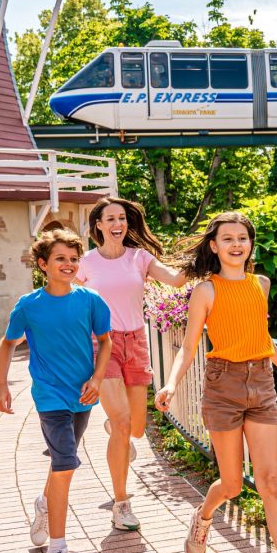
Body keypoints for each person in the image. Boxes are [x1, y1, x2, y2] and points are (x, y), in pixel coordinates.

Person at [155, 212, 277, 553]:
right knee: (231, 484)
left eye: (242, 238)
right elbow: (190, 345)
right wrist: (171, 383)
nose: (236, 244)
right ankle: (204, 514)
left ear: (250, 244)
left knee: (270, 483)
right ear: (213, 246)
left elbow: (259, 334)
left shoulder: (260, 284)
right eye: (227, 238)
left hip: (261, 383)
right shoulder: (206, 291)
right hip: (223, 386)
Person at [0, 228, 113, 553]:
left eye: (74, 259)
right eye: (61, 258)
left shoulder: (91, 300)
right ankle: (57, 552)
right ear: (43, 264)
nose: (69, 264)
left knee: (64, 462)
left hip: (83, 396)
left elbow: (106, 342)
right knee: (65, 462)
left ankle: (46, 505)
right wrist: (1, 385)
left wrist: (97, 379)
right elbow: (7, 343)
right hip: (49, 395)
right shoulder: (28, 305)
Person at [75, 197, 189, 531]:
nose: (117, 223)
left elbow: (176, 280)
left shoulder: (140, 258)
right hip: (102, 343)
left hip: (136, 341)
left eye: (122, 218)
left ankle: (117, 432)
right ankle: (121, 503)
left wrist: (207, 253)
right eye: (110, 218)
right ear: (98, 224)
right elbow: (67, 296)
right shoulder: (86, 262)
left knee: (136, 428)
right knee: (124, 422)